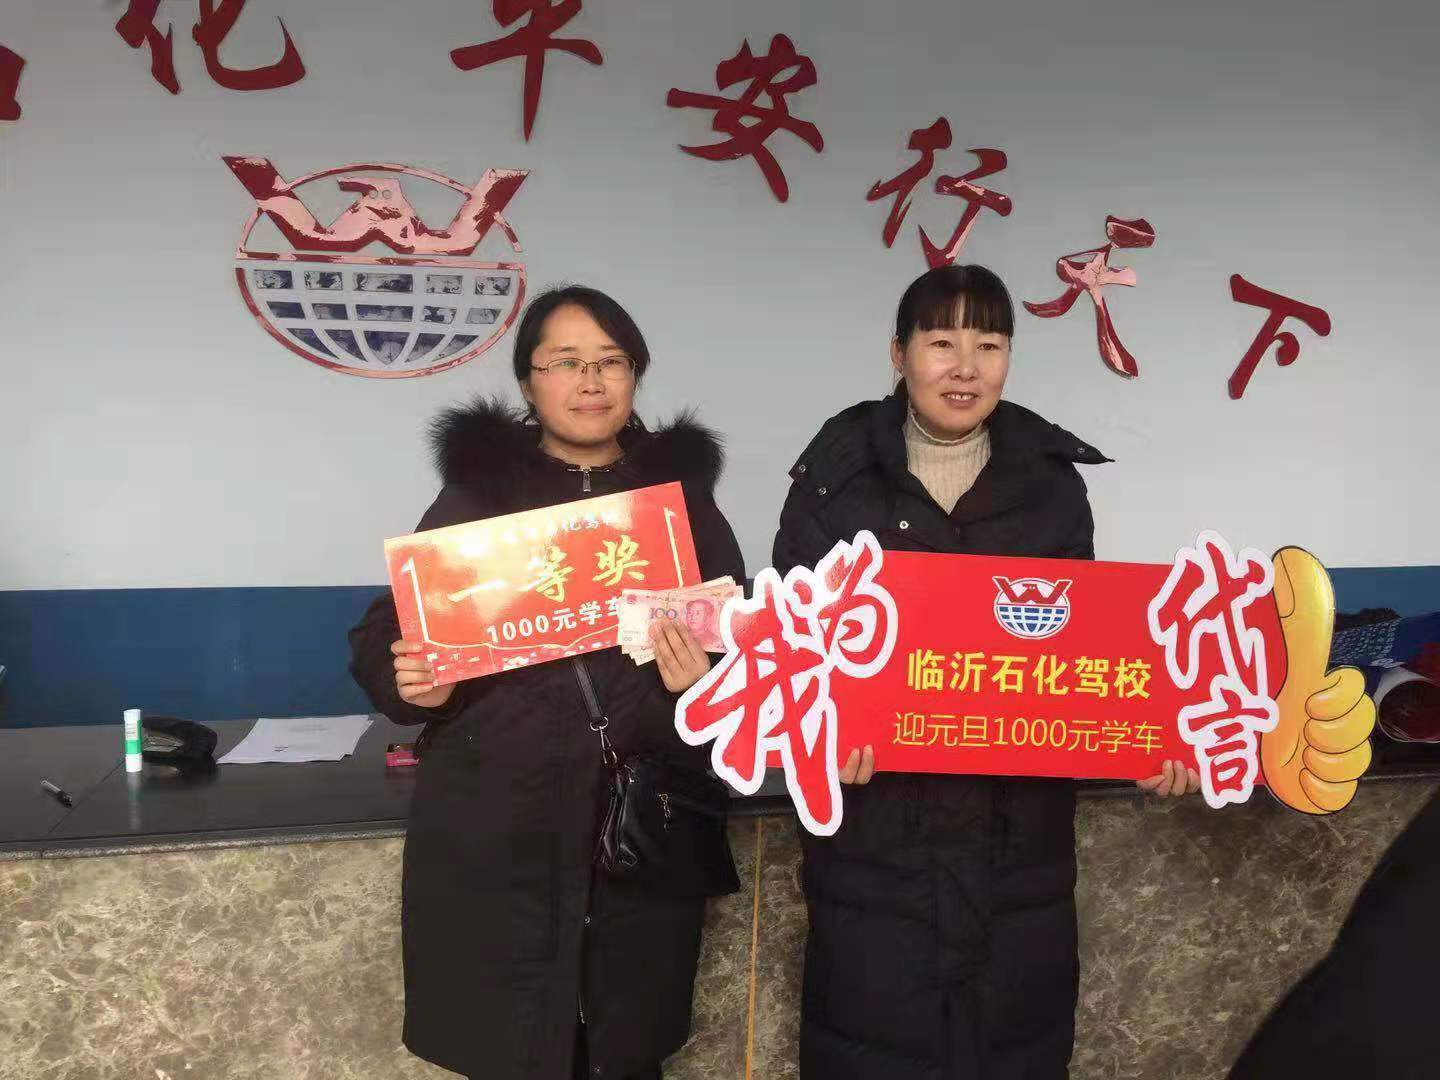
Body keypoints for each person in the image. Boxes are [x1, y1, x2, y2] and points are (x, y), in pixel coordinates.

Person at [771, 264, 1199, 1079]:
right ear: (898, 353)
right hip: (876, 851)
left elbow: (1084, 656)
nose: (965, 367)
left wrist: (1154, 739)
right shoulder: (833, 481)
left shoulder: (1051, 486)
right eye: (941, 343)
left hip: (1019, 855)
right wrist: (819, 735)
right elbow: (794, 655)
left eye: (990, 344)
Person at [349, 285, 746, 1080]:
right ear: (529, 383)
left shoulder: (680, 507)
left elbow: (739, 645)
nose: (590, 381)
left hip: (639, 826)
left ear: (635, 376)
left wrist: (701, 680)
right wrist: (413, 680)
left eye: (610, 361)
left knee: (624, 1050)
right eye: (565, 362)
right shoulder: (477, 500)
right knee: (511, 1047)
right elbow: (389, 633)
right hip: (501, 825)